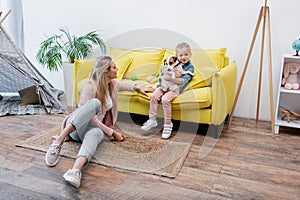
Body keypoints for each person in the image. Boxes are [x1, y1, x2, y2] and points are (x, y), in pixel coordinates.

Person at [45, 56, 153, 188]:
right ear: (106, 71)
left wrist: (137, 88)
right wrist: (111, 132)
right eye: (114, 67)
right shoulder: (90, 87)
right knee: (95, 104)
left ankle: (75, 171)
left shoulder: (111, 84)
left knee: (97, 133)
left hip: (91, 129)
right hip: (75, 127)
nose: (117, 69)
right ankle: (59, 141)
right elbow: (88, 116)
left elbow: (124, 85)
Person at [141, 42, 194, 139]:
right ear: (176, 56)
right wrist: (159, 85)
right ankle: (152, 120)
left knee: (165, 99)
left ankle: (168, 124)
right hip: (163, 86)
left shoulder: (190, 68)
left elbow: (183, 81)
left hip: (175, 89)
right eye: (181, 55)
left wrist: (171, 79)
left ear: (190, 54)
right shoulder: (172, 61)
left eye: (186, 55)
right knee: (153, 96)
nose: (183, 57)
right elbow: (163, 70)